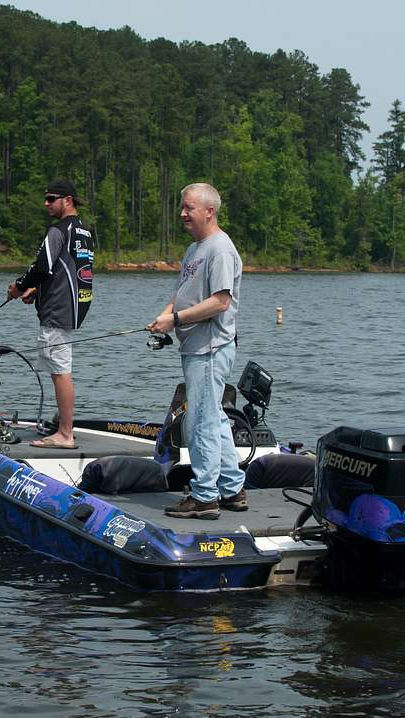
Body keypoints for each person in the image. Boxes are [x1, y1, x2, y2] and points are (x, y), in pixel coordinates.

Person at [146, 183, 246, 519]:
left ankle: (204, 497)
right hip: (194, 346)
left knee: (200, 422)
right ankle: (232, 489)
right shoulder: (194, 250)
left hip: (211, 347)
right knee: (213, 416)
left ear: (209, 211)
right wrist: (164, 318)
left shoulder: (220, 250)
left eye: (189, 207)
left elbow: (219, 302)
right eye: (182, 207)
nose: (183, 213)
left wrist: (174, 319)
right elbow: (181, 294)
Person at [7, 179, 94, 449]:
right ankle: (64, 426)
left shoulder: (58, 230)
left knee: (60, 370)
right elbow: (65, 269)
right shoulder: (85, 232)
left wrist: (19, 286)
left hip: (57, 309)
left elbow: (42, 266)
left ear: (67, 200)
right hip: (75, 304)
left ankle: (65, 434)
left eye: (51, 199)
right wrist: (37, 290)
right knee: (60, 367)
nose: (46, 204)